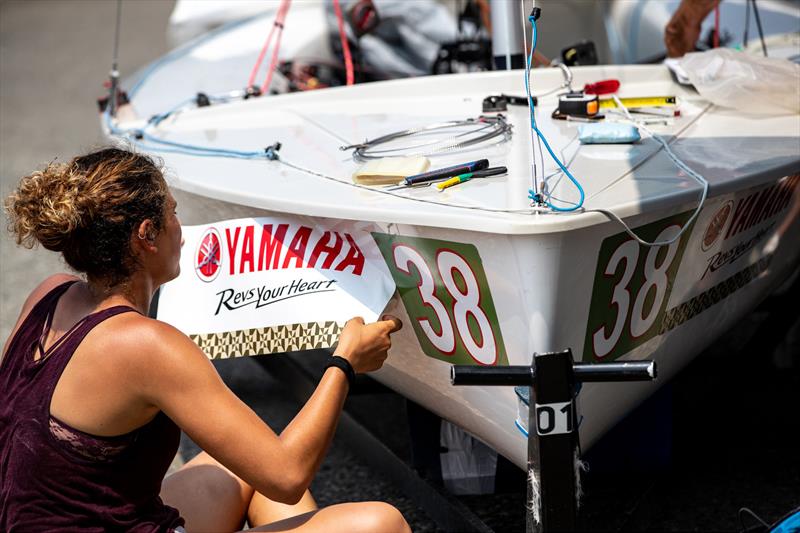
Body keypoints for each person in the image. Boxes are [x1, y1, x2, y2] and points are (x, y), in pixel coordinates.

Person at [0, 147, 410, 533]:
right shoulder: (145, 344)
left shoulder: (50, 293)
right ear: (147, 234)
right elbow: (287, 476)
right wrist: (345, 364)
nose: (181, 229)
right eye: (173, 213)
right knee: (379, 523)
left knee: (232, 467)